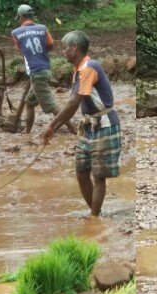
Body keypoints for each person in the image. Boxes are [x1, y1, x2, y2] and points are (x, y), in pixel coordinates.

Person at [43, 30, 121, 217]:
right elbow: (72, 104)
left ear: (74, 48)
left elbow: (73, 103)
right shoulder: (78, 69)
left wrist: (52, 126)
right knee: (81, 171)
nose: (63, 52)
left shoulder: (88, 68)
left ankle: (94, 218)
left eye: (65, 48)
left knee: (98, 175)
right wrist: (54, 126)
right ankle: (96, 213)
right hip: (89, 125)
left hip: (104, 125)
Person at [12, 5, 60, 133]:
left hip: (36, 73)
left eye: (19, 18)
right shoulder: (43, 28)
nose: (18, 20)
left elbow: (19, 49)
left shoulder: (16, 32)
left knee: (51, 105)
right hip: (46, 69)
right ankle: (27, 132)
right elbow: (50, 45)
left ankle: (73, 129)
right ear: (32, 16)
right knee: (29, 101)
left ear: (21, 17)